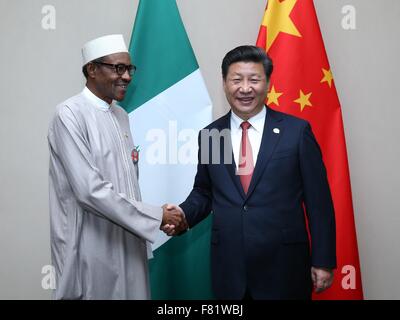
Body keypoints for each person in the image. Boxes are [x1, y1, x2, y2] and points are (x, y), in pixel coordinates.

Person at [163, 45, 336, 299]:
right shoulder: (212, 135)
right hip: (230, 269)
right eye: (236, 80)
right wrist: (183, 214)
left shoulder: (296, 132)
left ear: (267, 84)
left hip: (284, 267)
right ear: (224, 83)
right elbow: (205, 190)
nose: (245, 88)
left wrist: (323, 260)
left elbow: (318, 202)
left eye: (254, 80)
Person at [48, 34, 184, 299]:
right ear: (92, 69)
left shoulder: (120, 115)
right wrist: (157, 215)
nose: (127, 77)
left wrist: (156, 216)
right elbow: (89, 191)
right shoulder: (68, 113)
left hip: (128, 238)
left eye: (129, 69)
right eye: (118, 68)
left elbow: (127, 184)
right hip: (89, 242)